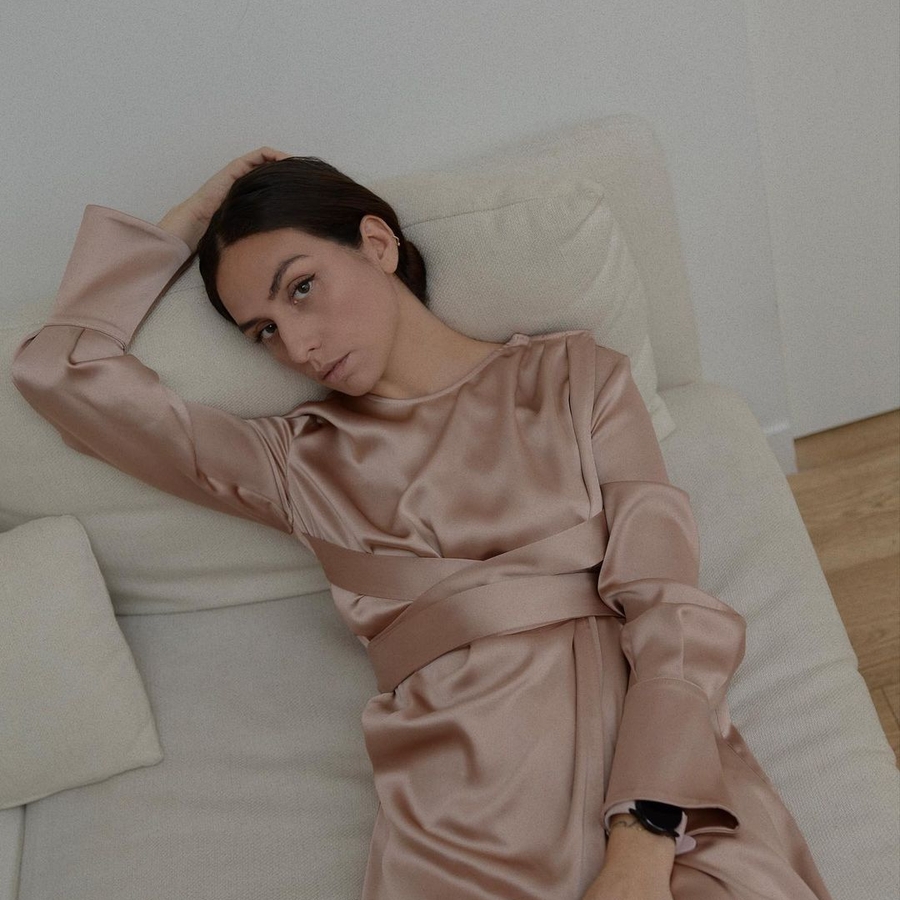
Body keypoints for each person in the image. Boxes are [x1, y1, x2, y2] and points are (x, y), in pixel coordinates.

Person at [11, 148, 833, 900]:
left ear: (376, 243)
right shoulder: (296, 463)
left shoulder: (574, 378)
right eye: (264, 331)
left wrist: (643, 839)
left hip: (652, 780)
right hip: (462, 824)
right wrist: (187, 222)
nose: (297, 344)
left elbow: (669, 606)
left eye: (301, 288)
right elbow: (63, 374)